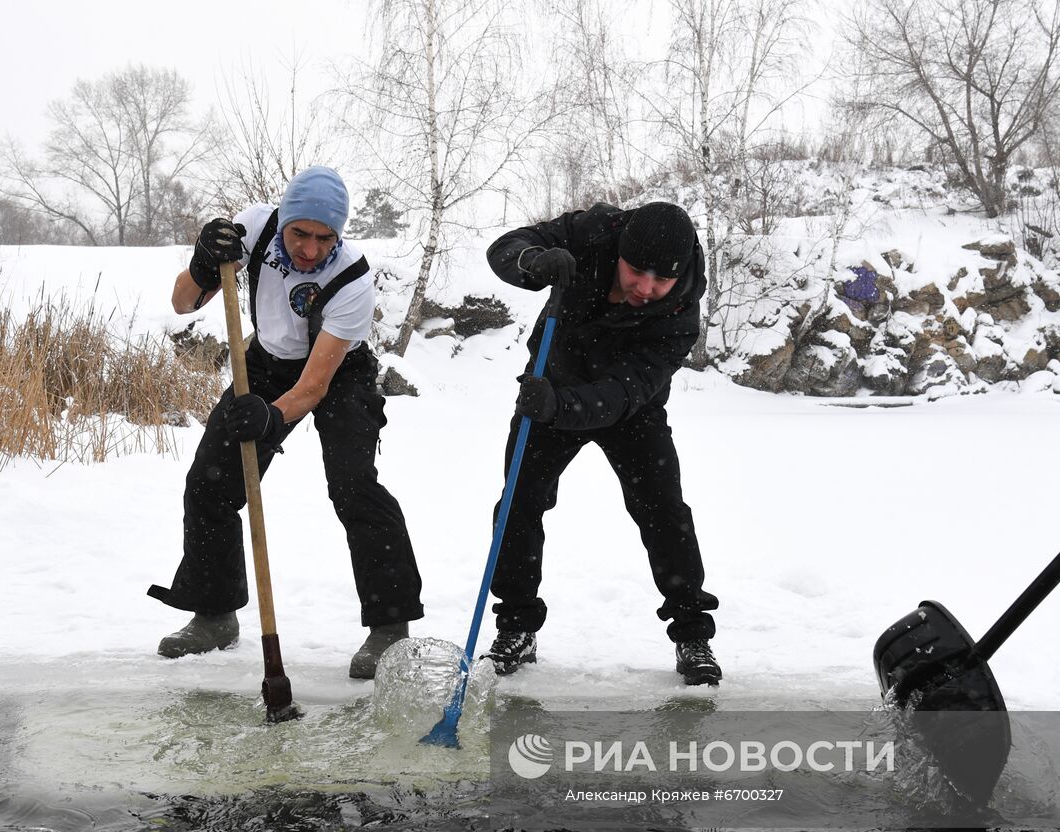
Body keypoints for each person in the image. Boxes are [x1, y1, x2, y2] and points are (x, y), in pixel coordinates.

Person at [148, 166, 423, 679]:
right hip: (267, 361)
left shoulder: (352, 279)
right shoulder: (252, 228)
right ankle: (214, 615)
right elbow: (182, 303)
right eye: (300, 234)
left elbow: (315, 386)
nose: (312, 249)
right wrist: (205, 261)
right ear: (283, 224)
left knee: (354, 486)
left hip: (339, 372)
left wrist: (270, 417)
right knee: (210, 482)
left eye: (325, 238)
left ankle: (390, 628)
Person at [481, 201, 722, 686]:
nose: (646, 288)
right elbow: (504, 249)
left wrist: (560, 407)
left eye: (661, 280)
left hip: (630, 407)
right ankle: (516, 627)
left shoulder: (680, 315)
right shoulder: (595, 231)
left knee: (663, 510)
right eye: (636, 272)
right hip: (551, 381)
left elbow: (624, 391)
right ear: (620, 252)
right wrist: (532, 261)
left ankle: (692, 632)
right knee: (518, 505)